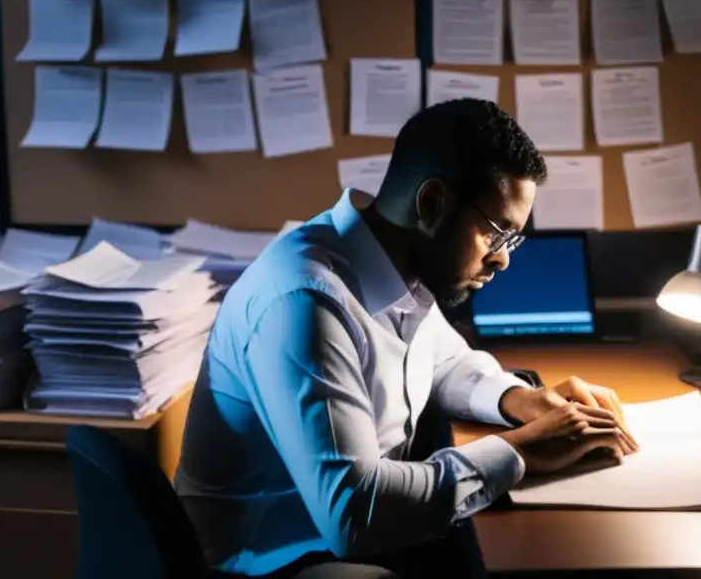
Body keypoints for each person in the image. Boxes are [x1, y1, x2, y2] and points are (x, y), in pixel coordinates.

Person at [174, 99, 637, 578]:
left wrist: (521, 400)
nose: (503, 261)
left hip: (345, 536)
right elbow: (355, 514)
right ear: (432, 203)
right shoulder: (305, 301)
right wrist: (523, 450)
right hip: (271, 561)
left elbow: (442, 360)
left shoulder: (400, 265)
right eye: (498, 234)